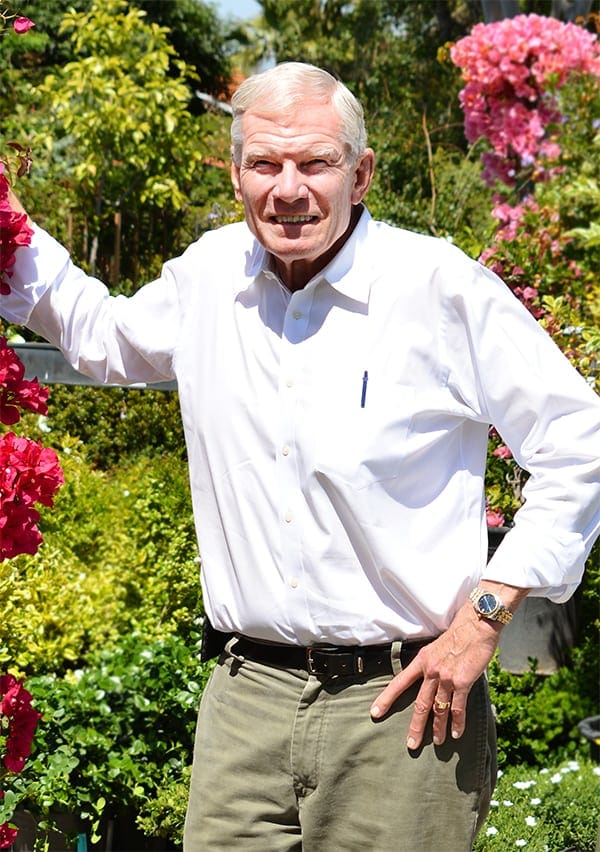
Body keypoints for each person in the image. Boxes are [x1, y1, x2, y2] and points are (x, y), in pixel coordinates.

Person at [4, 62, 600, 851]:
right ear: (236, 175)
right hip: (243, 703)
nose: (289, 189)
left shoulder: (437, 288)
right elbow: (102, 337)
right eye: (265, 164)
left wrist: (486, 617)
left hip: (403, 710)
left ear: (361, 174)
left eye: (315, 163)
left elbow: (580, 441)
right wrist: (9, 229)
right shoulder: (209, 278)